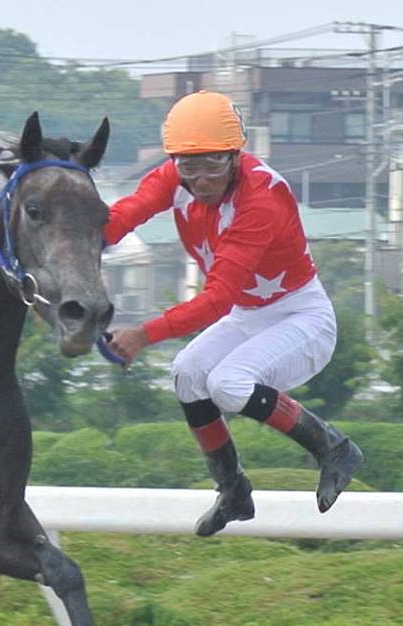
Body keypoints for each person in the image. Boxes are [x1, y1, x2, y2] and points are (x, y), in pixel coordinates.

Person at [104, 90, 363, 536]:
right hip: (250, 314)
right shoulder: (175, 176)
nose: (200, 180)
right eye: (189, 166)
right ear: (175, 162)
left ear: (235, 156)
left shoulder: (261, 200)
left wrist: (143, 335)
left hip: (302, 317)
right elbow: (122, 217)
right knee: (187, 372)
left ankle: (334, 447)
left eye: (213, 165)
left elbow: (218, 298)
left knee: (226, 383)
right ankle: (233, 490)